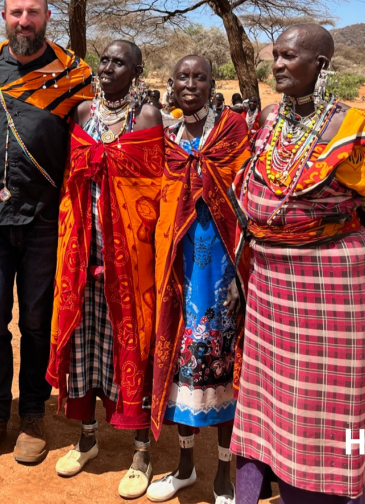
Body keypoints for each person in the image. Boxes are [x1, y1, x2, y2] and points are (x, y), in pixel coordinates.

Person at [231, 25, 365, 504]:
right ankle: (263, 482)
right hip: (270, 280)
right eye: (275, 55)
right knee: (268, 391)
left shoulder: (356, 129)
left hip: (331, 283)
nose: (277, 64)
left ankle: (322, 493)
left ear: (320, 64)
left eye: (290, 56)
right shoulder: (267, 119)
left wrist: (357, 281)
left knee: (326, 402)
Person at [0, 0, 94, 469]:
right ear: (3, 15)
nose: (24, 22)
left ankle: (32, 413)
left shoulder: (75, 74)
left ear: (48, 16)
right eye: (16, 13)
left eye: (32, 13)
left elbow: (95, 143)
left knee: (37, 323)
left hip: (44, 222)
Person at [46, 39, 163, 498]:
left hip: (130, 262)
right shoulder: (82, 117)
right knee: (86, 350)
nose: (109, 68)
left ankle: (140, 452)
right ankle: (87, 438)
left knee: (129, 350)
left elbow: (152, 194)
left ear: (137, 70)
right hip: (81, 254)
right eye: (106, 60)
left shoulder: (147, 119)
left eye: (120, 62)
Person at [147, 55, 250, 504]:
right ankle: (185, 465)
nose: (191, 84)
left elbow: (245, 195)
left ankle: (224, 474)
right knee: (181, 369)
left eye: (200, 77)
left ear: (212, 84)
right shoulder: (167, 138)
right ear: (171, 84)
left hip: (223, 270)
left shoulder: (232, 134)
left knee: (225, 368)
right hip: (178, 267)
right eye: (183, 77)